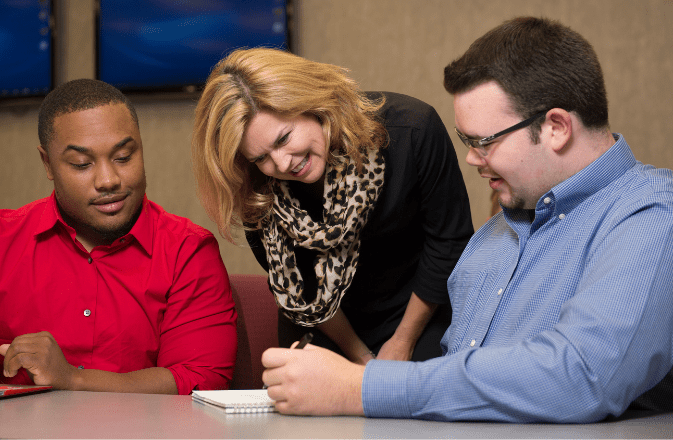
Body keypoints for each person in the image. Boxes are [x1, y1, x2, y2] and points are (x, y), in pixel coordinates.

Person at [259, 17, 673, 422]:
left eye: (483, 142)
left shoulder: (651, 215)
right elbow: (458, 386)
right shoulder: (494, 236)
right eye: (466, 141)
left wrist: (359, 388)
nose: (472, 158)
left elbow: (582, 377)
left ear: (557, 127)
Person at [0, 79, 237, 395]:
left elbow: (200, 380)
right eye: (82, 164)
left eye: (123, 157)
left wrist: (72, 379)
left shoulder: (187, 251)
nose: (108, 180)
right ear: (48, 164)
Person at [192, 48, 473, 366]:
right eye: (261, 158)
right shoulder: (256, 189)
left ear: (312, 103)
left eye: (284, 138)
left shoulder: (411, 129)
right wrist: (362, 360)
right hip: (326, 327)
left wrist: (403, 342)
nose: (283, 163)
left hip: (420, 315)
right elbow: (305, 289)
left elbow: (448, 242)